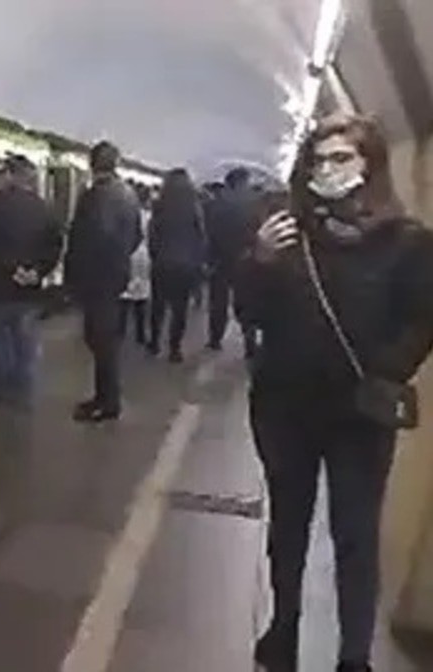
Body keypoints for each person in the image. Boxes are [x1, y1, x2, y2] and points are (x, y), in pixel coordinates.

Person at [239, 116, 433, 672]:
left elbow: (422, 318)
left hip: (360, 414)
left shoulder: (407, 242)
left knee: (354, 534)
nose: (328, 170)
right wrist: (259, 261)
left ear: (369, 165)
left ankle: (354, 656)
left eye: (342, 159)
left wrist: (386, 369)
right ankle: (284, 627)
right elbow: (248, 313)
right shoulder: (286, 234)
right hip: (285, 407)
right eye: (319, 160)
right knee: (287, 527)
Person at [0, 156, 62, 407]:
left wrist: (12, 269)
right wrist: (38, 271)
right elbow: (55, 245)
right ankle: (22, 389)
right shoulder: (45, 208)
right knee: (25, 341)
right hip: (29, 291)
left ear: (10, 175)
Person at [64, 141, 142, 422]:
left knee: (100, 339)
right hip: (115, 274)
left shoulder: (96, 196)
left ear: (92, 163)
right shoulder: (128, 195)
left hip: (96, 278)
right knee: (104, 339)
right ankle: (106, 398)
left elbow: (89, 238)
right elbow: (135, 236)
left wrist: (75, 276)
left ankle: (107, 402)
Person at [148, 168, 207, 362]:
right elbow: (201, 237)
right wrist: (198, 261)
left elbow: (152, 235)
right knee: (180, 309)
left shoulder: (159, 205)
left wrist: (155, 255)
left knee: (158, 306)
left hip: (162, 263)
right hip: (185, 265)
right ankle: (175, 348)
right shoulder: (194, 207)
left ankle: (155, 342)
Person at [206, 167, 261, 354]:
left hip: (220, 260)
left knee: (218, 302)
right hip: (246, 259)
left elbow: (209, 232)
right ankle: (250, 342)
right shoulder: (255, 203)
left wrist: (209, 259)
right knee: (246, 302)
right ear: (244, 181)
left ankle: (215, 339)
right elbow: (259, 232)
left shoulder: (217, 202)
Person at [119, 191, 152, 348]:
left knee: (125, 292)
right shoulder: (149, 217)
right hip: (144, 255)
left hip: (127, 253)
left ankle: (121, 329)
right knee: (142, 295)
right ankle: (140, 333)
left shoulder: (126, 215)